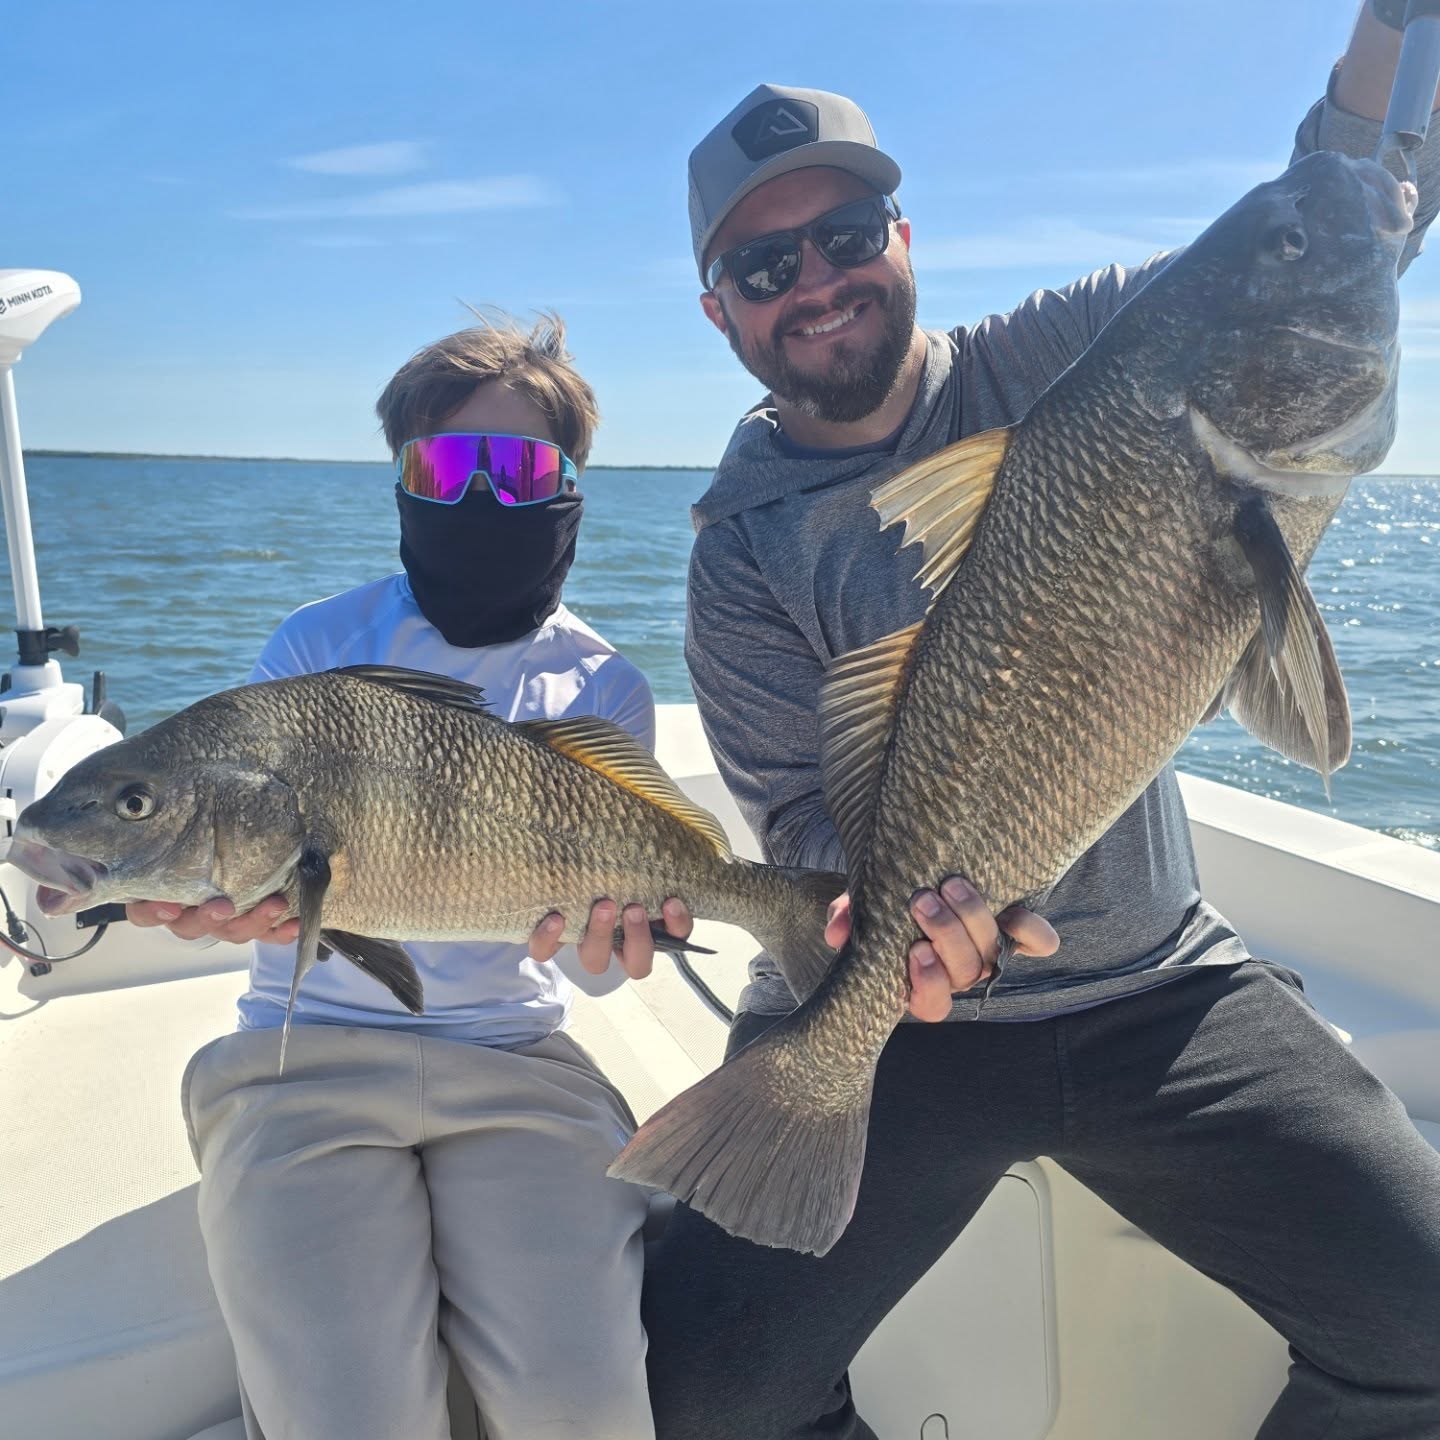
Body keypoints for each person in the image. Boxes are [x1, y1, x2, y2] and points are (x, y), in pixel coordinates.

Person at [643, 10, 1440, 1440]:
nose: (815, 282)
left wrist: (1391, 27)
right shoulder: (737, 550)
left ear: (903, 235)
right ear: (721, 310)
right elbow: (821, 843)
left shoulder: (1070, 356)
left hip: (1161, 993)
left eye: (845, 234)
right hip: (905, 1033)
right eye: (768, 266)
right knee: (708, 1391)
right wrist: (896, 947)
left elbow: (1334, 200)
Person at [129, 312, 688, 1440]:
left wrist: (612, 946)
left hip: (520, 1064)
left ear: (571, 485)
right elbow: (264, 868)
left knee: (582, 1406)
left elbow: (597, 981)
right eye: (447, 463)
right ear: (400, 479)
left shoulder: (602, 687)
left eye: (519, 464)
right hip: (305, 1052)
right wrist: (234, 907)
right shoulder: (311, 650)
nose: (482, 495)